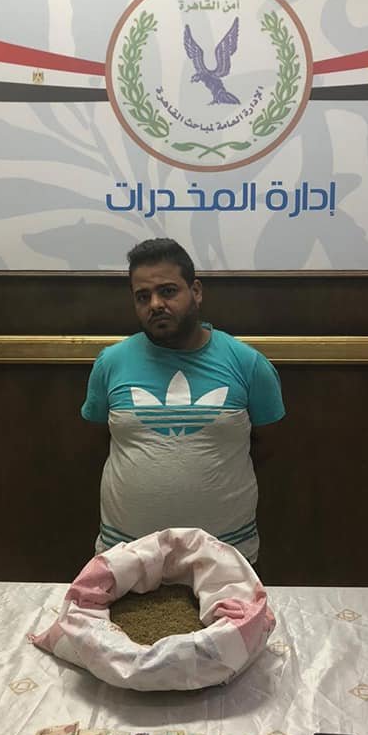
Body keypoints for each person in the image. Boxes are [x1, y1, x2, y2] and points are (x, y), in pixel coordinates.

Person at [81, 238, 285, 563]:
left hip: (224, 555)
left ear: (196, 291)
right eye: (143, 296)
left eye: (168, 291)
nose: (155, 304)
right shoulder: (111, 362)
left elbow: (267, 445)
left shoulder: (248, 363)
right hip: (126, 554)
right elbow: (98, 441)